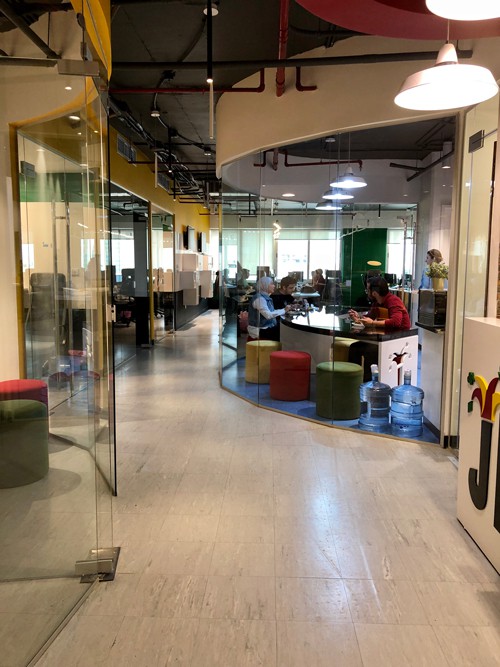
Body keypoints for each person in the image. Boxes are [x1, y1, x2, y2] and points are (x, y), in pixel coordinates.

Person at [348, 277, 411, 379]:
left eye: (368, 289)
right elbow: (369, 317)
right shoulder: (377, 303)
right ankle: (353, 381)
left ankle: (370, 383)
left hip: (397, 339)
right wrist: (358, 318)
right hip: (385, 338)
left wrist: (372, 323)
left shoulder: (393, 301)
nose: (367, 292)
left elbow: (396, 322)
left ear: (374, 293)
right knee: (354, 348)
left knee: (370, 350)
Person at [247, 276, 292, 341]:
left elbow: (271, 312)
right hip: (259, 330)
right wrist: (284, 310)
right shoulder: (259, 299)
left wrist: (284, 310)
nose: (274, 286)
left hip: (265, 328)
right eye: (272, 284)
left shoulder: (265, 297)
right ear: (265, 285)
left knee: (284, 328)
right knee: (285, 330)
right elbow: (268, 315)